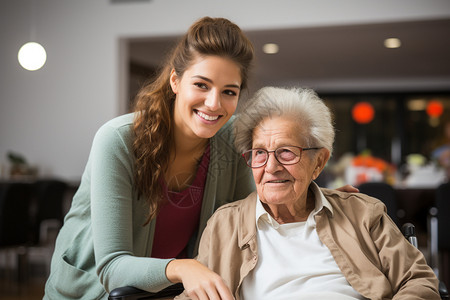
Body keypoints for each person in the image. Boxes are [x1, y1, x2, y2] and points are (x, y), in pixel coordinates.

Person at [44, 18, 356, 300]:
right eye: (201, 85)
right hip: (90, 293)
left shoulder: (230, 137)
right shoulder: (118, 140)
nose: (213, 103)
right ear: (175, 81)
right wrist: (184, 268)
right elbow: (113, 267)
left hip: (170, 293)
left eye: (229, 92)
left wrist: (312, 198)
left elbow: (249, 214)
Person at [176, 87, 440, 300]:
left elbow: (418, 281)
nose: (271, 167)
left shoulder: (362, 213)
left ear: (319, 162)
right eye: (259, 153)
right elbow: (194, 295)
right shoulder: (226, 224)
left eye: (286, 152)